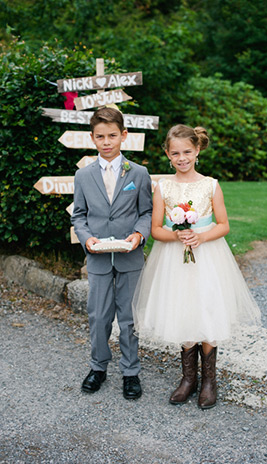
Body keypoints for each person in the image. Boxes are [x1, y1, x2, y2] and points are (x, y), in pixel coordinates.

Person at [133, 124, 261, 409]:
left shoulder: (210, 185)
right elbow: (156, 229)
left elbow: (224, 225)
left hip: (207, 258)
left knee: (207, 309)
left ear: (197, 150)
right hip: (173, 260)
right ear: (167, 154)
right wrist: (177, 234)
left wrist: (200, 236)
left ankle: (208, 382)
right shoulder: (162, 187)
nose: (182, 158)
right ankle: (188, 379)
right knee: (183, 310)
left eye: (187, 152)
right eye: (175, 153)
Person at [71, 107, 152, 399]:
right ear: (92, 139)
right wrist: (87, 238)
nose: (107, 142)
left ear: (124, 136)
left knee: (129, 316)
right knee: (98, 314)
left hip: (130, 256)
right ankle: (98, 367)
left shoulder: (139, 173)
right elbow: (78, 215)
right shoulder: (83, 176)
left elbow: (146, 212)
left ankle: (131, 372)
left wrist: (139, 234)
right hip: (99, 257)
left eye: (113, 136)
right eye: (101, 137)